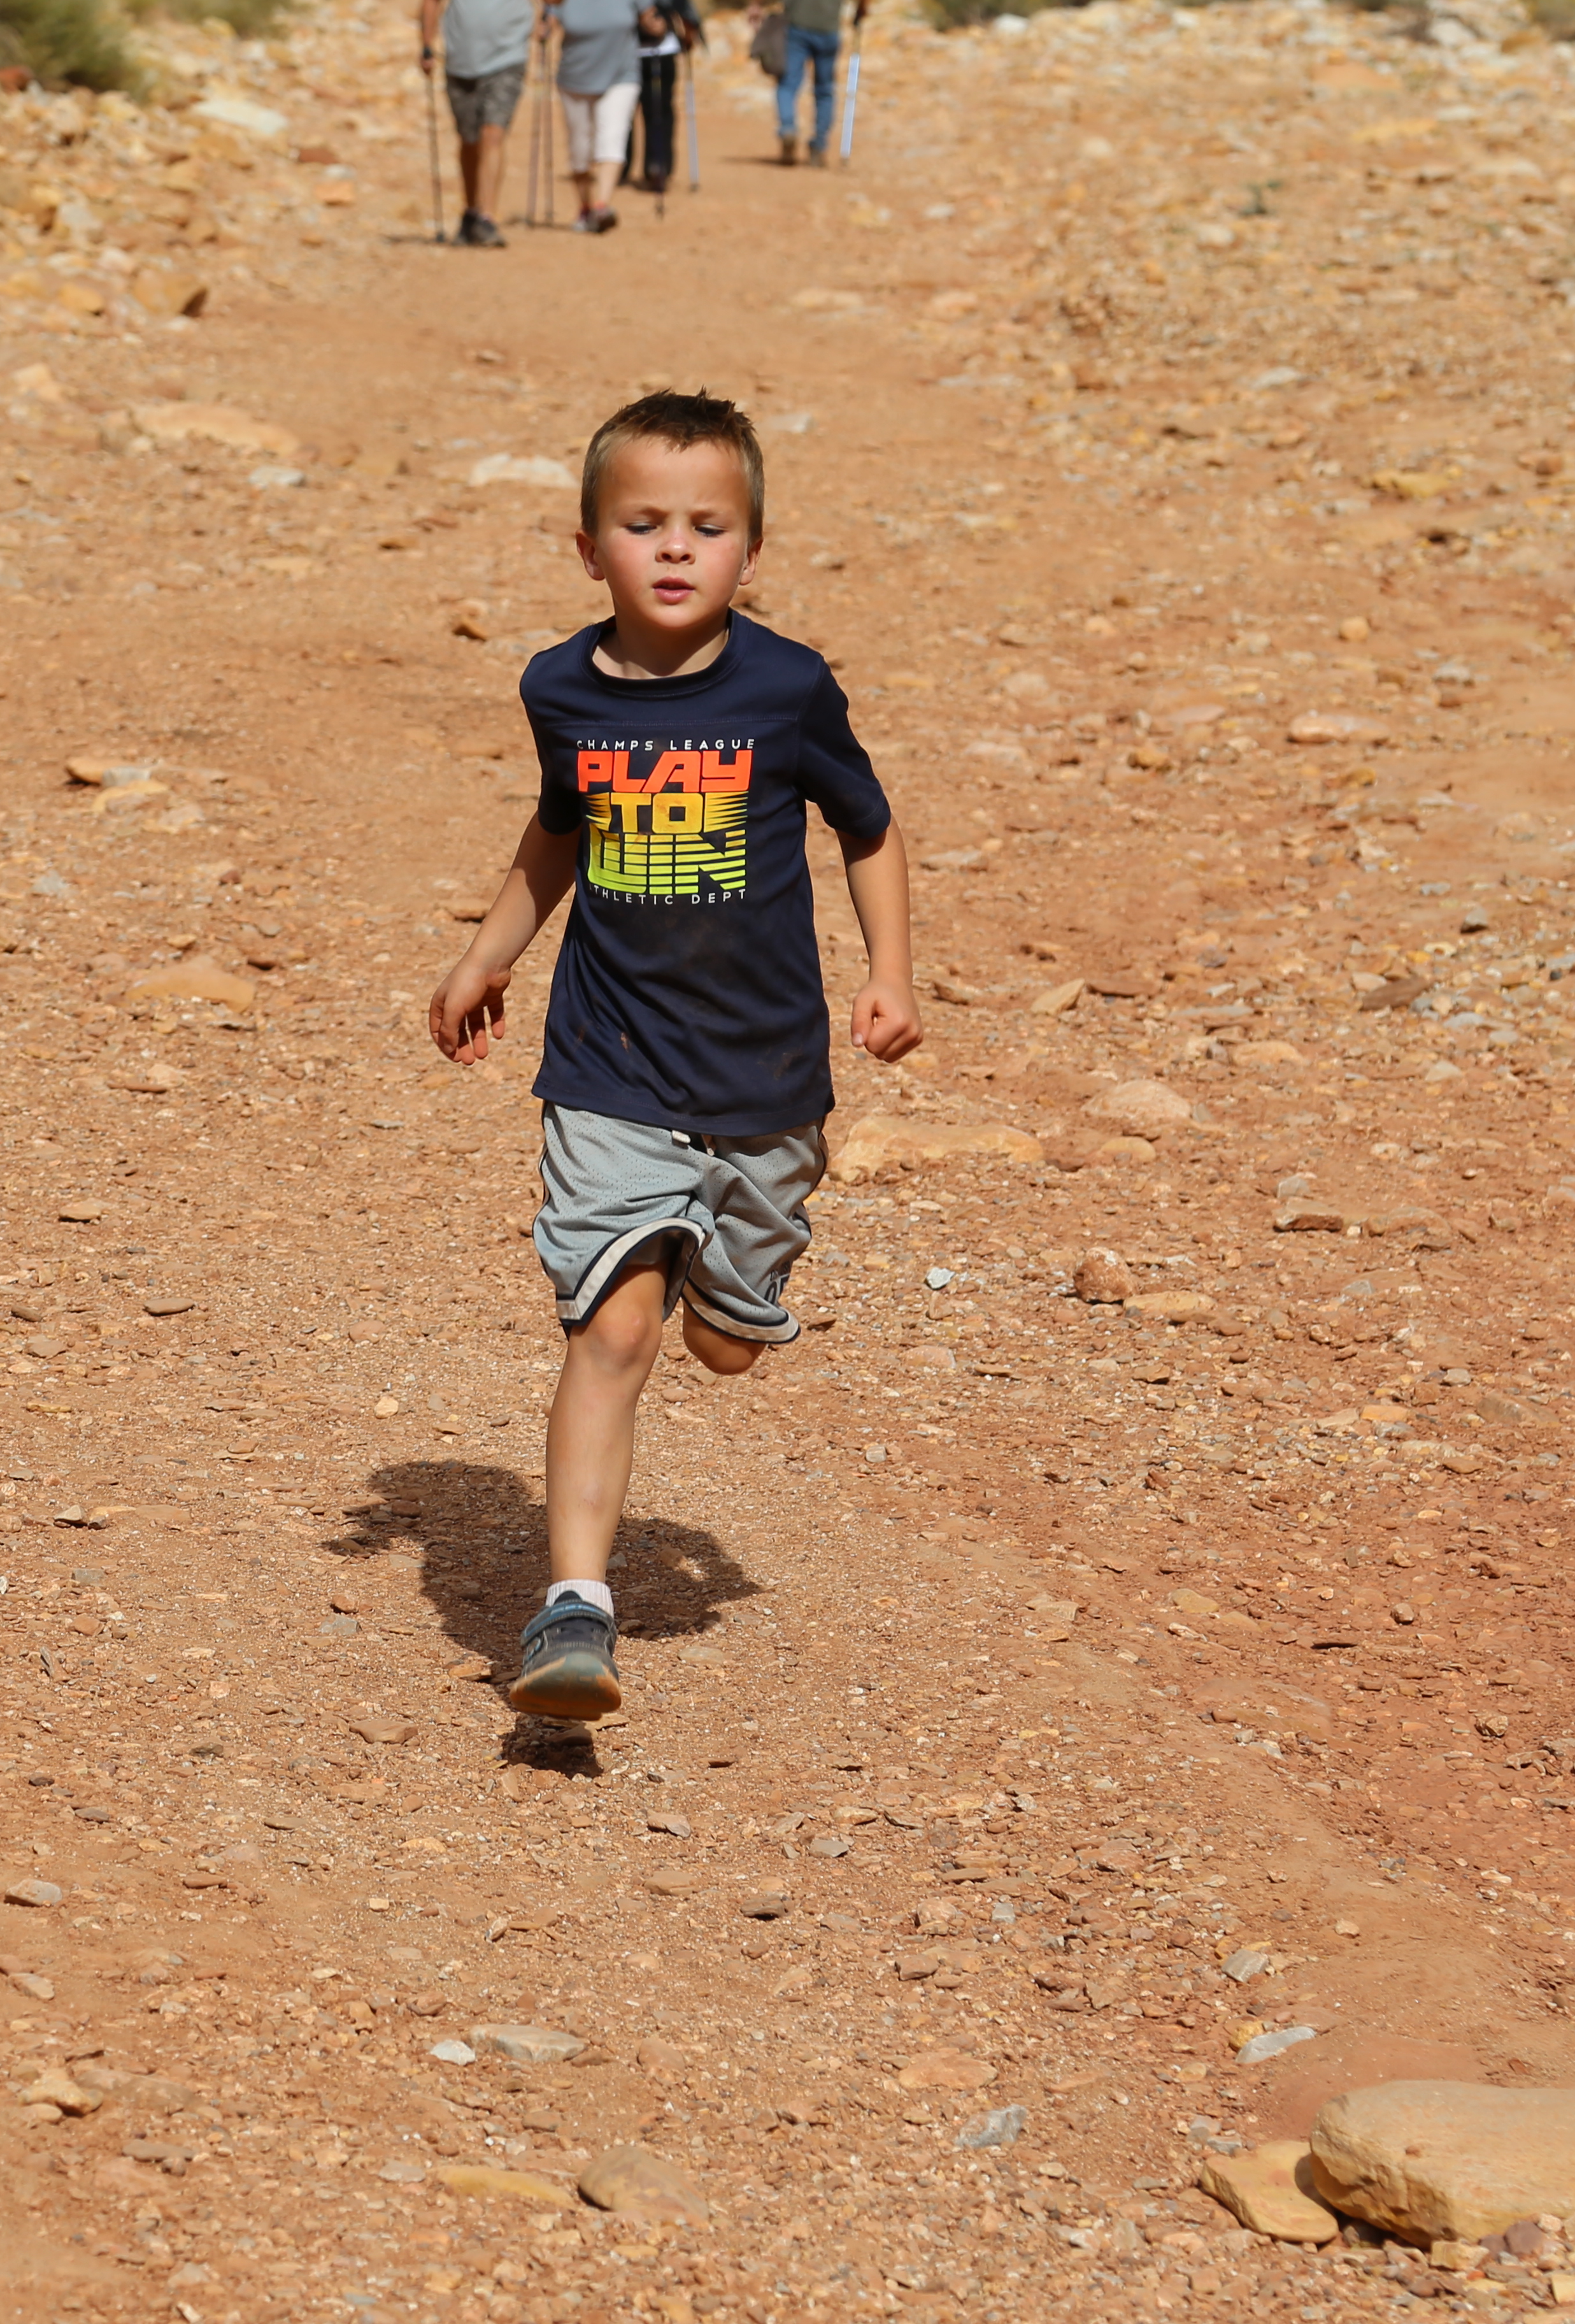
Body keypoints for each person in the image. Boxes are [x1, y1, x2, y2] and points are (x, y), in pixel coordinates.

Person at [428, 392, 921, 1722]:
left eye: (708, 527)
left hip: (765, 1076)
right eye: (642, 523)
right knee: (614, 1328)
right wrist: (490, 955)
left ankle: (729, 1277)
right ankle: (573, 1609)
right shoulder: (560, 687)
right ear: (589, 543)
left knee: (725, 1351)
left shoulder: (786, 687)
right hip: (611, 1061)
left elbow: (868, 830)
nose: (674, 549)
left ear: (749, 548)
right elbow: (559, 833)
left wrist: (889, 976)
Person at [424, 0, 531, 246]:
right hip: (460, 63)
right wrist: (427, 45)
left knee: (493, 133)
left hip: (507, 59)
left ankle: (487, 217)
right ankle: (471, 212)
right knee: (469, 140)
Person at [549, 0, 641, 234]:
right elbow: (548, 24)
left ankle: (602, 206)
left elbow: (649, 16)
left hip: (622, 75)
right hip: (575, 80)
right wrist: (543, 29)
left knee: (613, 137)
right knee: (580, 148)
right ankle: (585, 207)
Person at [777, 0, 864, 167]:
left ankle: (788, 128)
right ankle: (819, 145)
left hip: (797, 26)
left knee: (788, 84)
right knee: (825, 90)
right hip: (829, 30)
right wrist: (860, 12)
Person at [631, 0, 701, 196]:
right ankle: (658, 166)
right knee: (658, 112)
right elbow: (687, 13)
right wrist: (689, 35)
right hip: (641, 53)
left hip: (634, 52)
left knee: (634, 113)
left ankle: (631, 167)